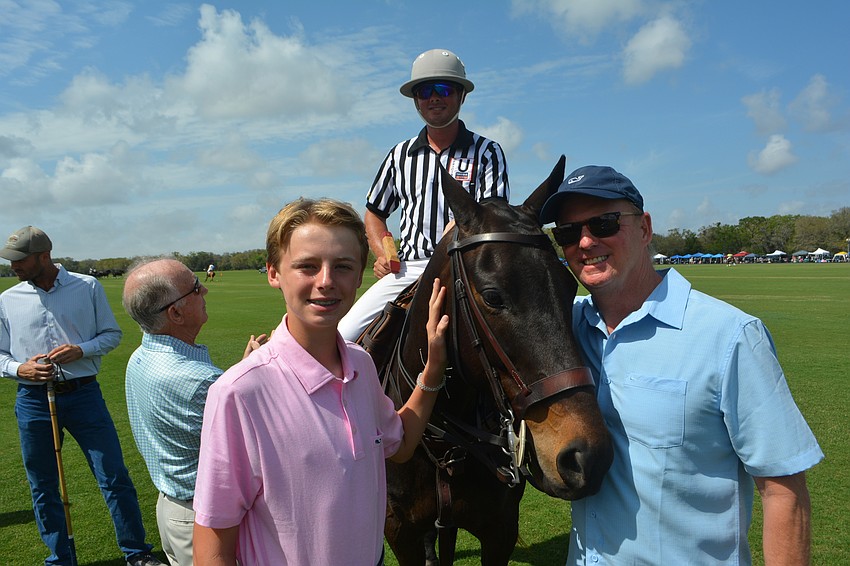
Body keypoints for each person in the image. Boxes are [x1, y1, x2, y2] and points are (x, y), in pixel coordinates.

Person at [538, 167, 824, 565]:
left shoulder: (730, 335)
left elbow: (783, 488)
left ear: (644, 228)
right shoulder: (564, 332)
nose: (585, 242)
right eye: (567, 233)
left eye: (603, 223)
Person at [192, 198, 450, 565]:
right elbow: (214, 536)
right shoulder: (239, 391)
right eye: (307, 266)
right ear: (273, 273)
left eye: (342, 266)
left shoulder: (360, 364)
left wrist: (432, 371)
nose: (326, 281)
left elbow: (402, 443)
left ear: (359, 275)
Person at [0, 226, 163, 566]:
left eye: (20, 260)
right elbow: (1, 355)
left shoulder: (87, 286)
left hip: (83, 394)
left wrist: (81, 349)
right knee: (43, 484)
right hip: (32, 400)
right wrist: (20, 369)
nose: (14, 266)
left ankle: (137, 552)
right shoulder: (7, 299)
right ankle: (60, 558)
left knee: (113, 475)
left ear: (44, 255)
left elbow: (111, 334)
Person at [338, 48, 509, 341]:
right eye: (424, 91)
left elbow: (493, 212)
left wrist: (461, 227)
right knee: (344, 333)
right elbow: (375, 212)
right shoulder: (399, 155)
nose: (434, 97)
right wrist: (384, 253)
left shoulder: (486, 152)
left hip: (468, 267)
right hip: (410, 268)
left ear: (461, 96)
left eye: (443, 88)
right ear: (416, 100)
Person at [122, 258, 268, 566]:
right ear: (174, 312)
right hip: (205, 519)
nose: (205, 291)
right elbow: (263, 443)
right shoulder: (197, 379)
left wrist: (237, 374)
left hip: (174, 511)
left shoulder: (141, 356)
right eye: (195, 288)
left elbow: (203, 415)